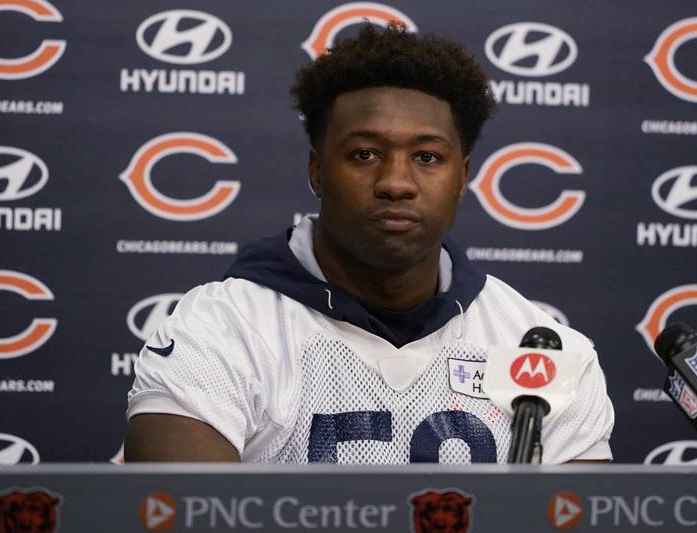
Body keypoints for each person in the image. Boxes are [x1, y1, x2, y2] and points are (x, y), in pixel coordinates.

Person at [124, 24, 614, 463]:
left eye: (426, 156)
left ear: (462, 177)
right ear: (318, 170)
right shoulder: (223, 329)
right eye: (365, 154)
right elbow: (183, 513)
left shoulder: (539, 345)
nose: (396, 182)